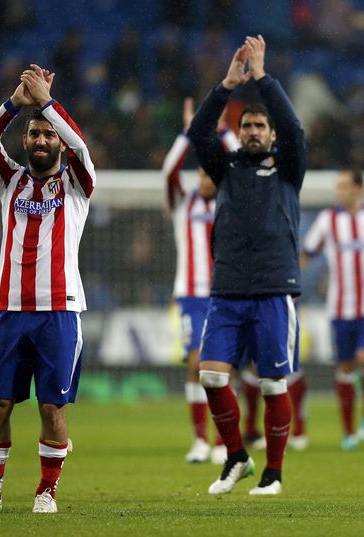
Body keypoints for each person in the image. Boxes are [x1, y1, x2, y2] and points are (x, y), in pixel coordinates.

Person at [0, 64, 96, 514]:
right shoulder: (10, 180)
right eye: (34, 134)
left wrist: (47, 104)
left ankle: (46, 492)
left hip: (60, 311)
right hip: (9, 311)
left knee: (52, 409)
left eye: (48, 134)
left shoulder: (76, 184)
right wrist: (16, 103)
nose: (41, 140)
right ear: (25, 140)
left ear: (57, 140)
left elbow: (79, 144)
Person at [187, 35, 306, 496]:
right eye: (248, 126)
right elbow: (199, 134)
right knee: (212, 376)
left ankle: (273, 474)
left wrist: (262, 78)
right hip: (229, 288)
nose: (255, 131)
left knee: (275, 385)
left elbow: (295, 130)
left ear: (271, 134)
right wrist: (225, 87)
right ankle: (236, 455)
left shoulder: (288, 167)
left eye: (261, 126)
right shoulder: (227, 168)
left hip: (275, 289)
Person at [164, 96, 237, 465]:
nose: (203, 178)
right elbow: (169, 171)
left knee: (222, 367)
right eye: (200, 173)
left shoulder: (231, 197)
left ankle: (226, 440)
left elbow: (239, 162)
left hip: (225, 292)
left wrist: (221, 130)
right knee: (196, 363)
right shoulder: (182, 202)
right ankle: (200, 439)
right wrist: (191, 131)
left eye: (209, 173)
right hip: (192, 294)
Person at [301, 168, 364, 450]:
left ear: (359, 188)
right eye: (338, 186)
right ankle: (349, 430)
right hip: (339, 306)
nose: (340, 192)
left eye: (345, 186)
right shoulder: (328, 220)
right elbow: (307, 252)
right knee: (345, 367)